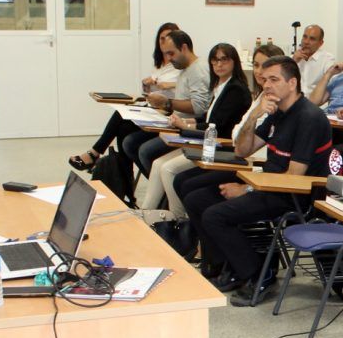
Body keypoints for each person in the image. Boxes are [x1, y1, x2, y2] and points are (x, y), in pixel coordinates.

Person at [182, 56, 333, 302]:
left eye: (274, 80)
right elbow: (242, 150)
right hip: (271, 185)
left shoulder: (309, 117)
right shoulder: (279, 112)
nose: (267, 85)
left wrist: (247, 189)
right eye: (265, 80)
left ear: (292, 82)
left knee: (215, 215)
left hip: (296, 196)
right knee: (197, 199)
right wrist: (254, 116)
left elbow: (294, 177)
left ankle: (259, 274)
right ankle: (229, 267)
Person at [168, 43, 282, 224]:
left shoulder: (251, 94)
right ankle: (188, 231)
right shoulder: (259, 96)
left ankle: (185, 229)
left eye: (265, 66)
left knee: (186, 185)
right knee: (182, 181)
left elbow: (234, 136)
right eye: (256, 65)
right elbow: (236, 132)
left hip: (249, 164)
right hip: (240, 155)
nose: (260, 72)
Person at [138, 43, 253, 212]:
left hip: (221, 146)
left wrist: (186, 125)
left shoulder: (236, 89)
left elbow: (219, 126)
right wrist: (190, 122)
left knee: (168, 169)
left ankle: (178, 218)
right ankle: (146, 212)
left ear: (234, 62)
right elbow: (210, 117)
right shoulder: (221, 86)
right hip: (208, 141)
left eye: (224, 60)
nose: (219, 65)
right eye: (215, 61)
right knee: (158, 164)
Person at [68, 22, 180, 170]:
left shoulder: (180, 64)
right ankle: (123, 180)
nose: (165, 42)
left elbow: (181, 88)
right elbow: (151, 93)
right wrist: (148, 85)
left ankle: (94, 153)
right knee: (122, 127)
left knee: (121, 116)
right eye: (162, 38)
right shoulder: (159, 65)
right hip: (152, 108)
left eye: (168, 38)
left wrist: (164, 84)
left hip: (166, 113)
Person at [125, 30, 212, 180]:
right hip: (176, 122)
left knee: (143, 150)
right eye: (166, 54)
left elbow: (199, 108)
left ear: (184, 48)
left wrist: (166, 103)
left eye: (171, 54)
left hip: (188, 128)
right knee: (128, 139)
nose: (169, 59)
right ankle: (158, 187)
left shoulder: (198, 70)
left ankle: (161, 190)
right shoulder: (185, 69)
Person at [293, 24, 336, 101]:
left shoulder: (327, 59)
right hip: (295, 104)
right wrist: (293, 61)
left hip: (317, 105)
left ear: (320, 43)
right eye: (304, 37)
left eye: (312, 39)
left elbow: (334, 86)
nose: (306, 42)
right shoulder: (294, 59)